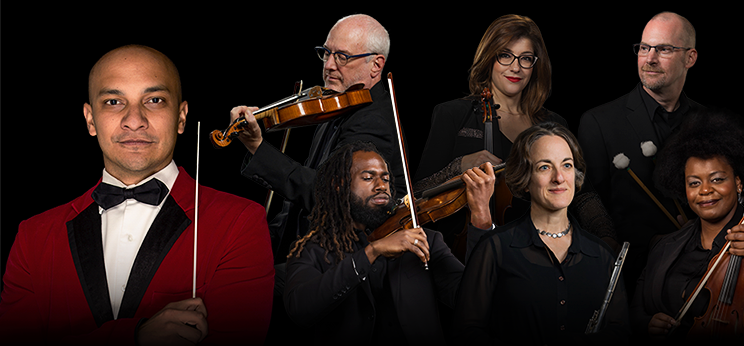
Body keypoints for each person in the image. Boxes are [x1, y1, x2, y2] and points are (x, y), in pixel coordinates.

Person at [0, 45, 274, 345]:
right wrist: (136, 337)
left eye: (154, 100)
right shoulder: (32, 237)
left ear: (181, 117)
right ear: (90, 120)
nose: (134, 119)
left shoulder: (240, 222)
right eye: (114, 101)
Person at [412, 14, 615, 260]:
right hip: (466, 251)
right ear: (489, 58)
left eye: (526, 58)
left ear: (535, 65)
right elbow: (419, 194)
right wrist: (459, 166)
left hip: (540, 253)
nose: (515, 67)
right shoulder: (453, 114)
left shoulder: (552, 124)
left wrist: (606, 237)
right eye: (505, 55)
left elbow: (583, 193)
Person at [228, 14, 403, 263]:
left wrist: (257, 147)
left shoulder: (373, 122)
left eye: (342, 56)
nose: (329, 65)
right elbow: (298, 205)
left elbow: (329, 195)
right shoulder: (338, 104)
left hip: (335, 260)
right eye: (326, 53)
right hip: (304, 247)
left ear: (376, 65)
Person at [630, 109, 744, 343]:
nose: (705, 190)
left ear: (738, 182)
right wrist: (647, 324)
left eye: (717, 179)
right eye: (694, 183)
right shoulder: (664, 245)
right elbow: (636, 311)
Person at [454, 122, 630, 345]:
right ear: (525, 179)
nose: (559, 178)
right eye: (544, 167)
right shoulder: (494, 249)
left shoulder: (601, 255)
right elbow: (466, 333)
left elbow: (621, 333)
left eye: (566, 165)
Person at [282, 141, 464, 344]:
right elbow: (299, 310)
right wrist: (371, 253)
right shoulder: (313, 249)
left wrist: (481, 221)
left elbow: (471, 300)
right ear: (339, 184)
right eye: (368, 178)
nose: (381, 186)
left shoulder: (422, 239)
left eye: (385, 179)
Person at [577, 11, 702, 294]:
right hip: (629, 278)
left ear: (690, 58)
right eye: (644, 48)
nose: (650, 58)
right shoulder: (599, 121)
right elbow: (587, 199)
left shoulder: (708, 122)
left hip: (699, 273)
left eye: (664, 49)